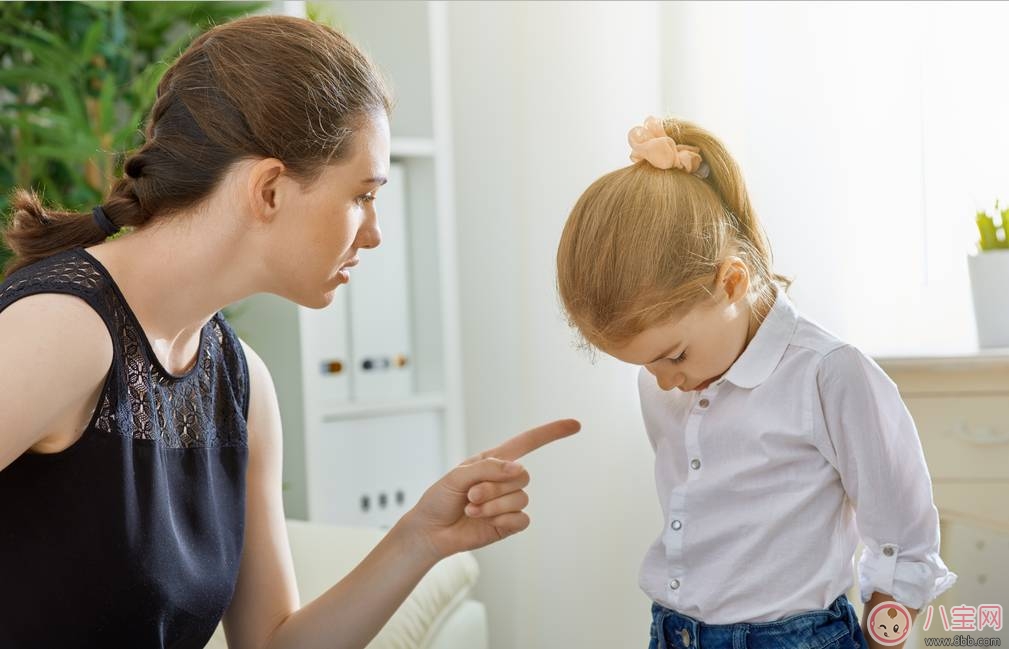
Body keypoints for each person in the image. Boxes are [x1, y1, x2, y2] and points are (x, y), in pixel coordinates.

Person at [0, 15, 578, 649]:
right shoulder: (63, 330)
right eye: (362, 195)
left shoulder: (241, 384)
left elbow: (271, 643)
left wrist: (419, 538)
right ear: (270, 189)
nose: (374, 233)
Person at [555, 116, 955, 649]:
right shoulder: (665, 384)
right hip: (673, 632)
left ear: (731, 282)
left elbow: (903, 541)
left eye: (673, 356)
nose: (664, 382)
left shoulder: (828, 373)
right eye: (644, 365)